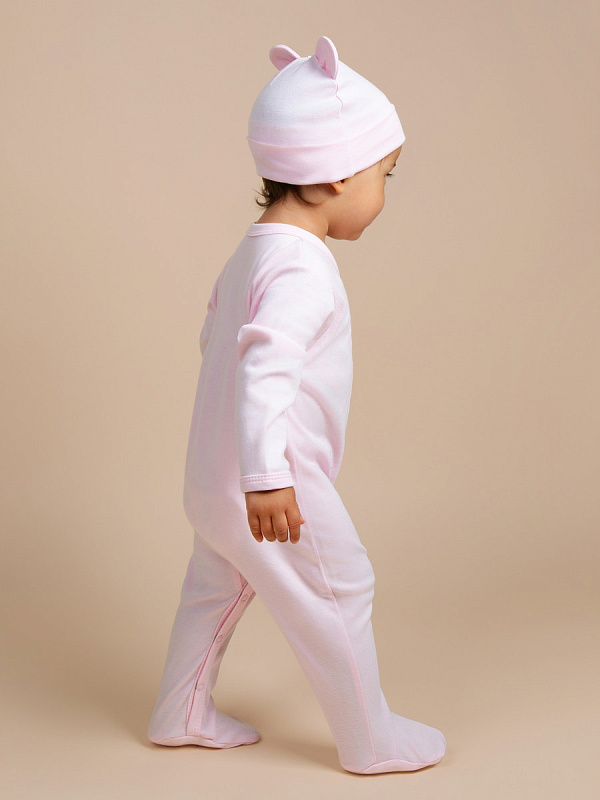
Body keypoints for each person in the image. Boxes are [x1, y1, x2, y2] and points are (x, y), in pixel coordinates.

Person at [147, 35, 446, 775]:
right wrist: (266, 477)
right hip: (272, 483)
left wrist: (235, 467)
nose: (385, 194)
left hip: (209, 478)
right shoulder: (304, 267)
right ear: (336, 175)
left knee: (214, 592)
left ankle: (180, 712)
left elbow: (215, 339)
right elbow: (265, 367)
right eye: (384, 175)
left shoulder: (252, 250)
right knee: (341, 586)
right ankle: (371, 741)